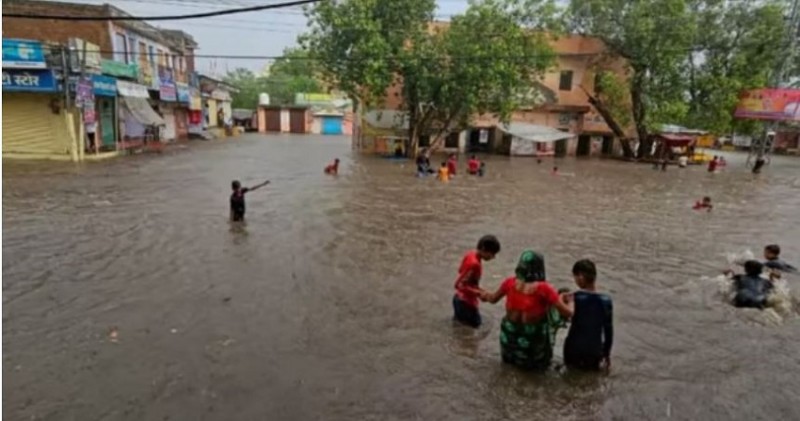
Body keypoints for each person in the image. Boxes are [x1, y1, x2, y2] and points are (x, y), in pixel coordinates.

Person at [481, 250, 574, 370]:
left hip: (509, 339)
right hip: (531, 342)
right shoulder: (544, 289)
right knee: (533, 373)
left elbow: (492, 299)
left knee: (508, 368)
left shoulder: (509, 283)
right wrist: (570, 300)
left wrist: (482, 294)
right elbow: (568, 313)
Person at [562, 259, 613, 371]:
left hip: (573, 350)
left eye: (575, 276)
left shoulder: (573, 298)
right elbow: (608, 331)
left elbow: (563, 318)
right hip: (594, 352)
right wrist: (606, 354)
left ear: (580, 277)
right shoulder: (606, 301)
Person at [452, 235, 501, 328]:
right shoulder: (475, 264)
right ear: (483, 249)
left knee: (461, 328)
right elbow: (459, 285)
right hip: (465, 303)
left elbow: (461, 272)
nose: (493, 257)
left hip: (459, 299)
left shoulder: (470, 255)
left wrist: (481, 291)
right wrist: (479, 293)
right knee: (475, 328)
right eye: (492, 254)